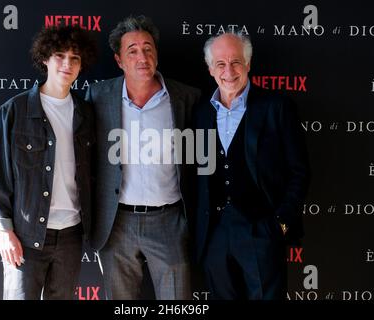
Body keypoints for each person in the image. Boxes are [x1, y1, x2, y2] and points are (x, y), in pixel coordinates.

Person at [85, 15, 200, 300]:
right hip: (117, 222)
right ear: (119, 60)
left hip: (170, 220)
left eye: (148, 48)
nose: (142, 57)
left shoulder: (186, 97)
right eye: (132, 50)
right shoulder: (98, 96)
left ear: (157, 54)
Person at [0, 25, 96, 300]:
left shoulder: (87, 113)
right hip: (25, 235)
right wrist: (4, 231)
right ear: (45, 58)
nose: (67, 64)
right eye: (59, 55)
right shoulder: (15, 110)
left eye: (75, 58)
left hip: (70, 236)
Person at [194, 32, 310, 300]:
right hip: (215, 234)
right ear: (211, 69)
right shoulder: (200, 112)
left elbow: (299, 171)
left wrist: (279, 223)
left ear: (248, 64)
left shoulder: (276, 107)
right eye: (220, 64)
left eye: (236, 62)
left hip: (261, 230)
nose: (229, 71)